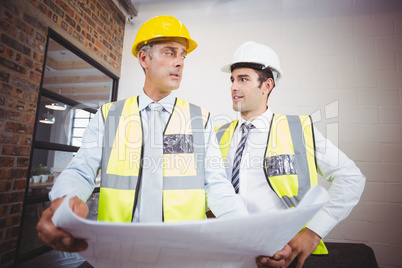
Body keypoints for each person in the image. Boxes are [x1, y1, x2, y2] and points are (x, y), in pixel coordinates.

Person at [36, 15, 248, 253]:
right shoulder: (109, 116)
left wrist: (248, 233)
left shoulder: (200, 119)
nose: (179, 62)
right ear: (144, 58)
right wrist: (65, 201)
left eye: (183, 55)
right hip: (117, 251)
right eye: (170, 52)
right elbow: (81, 169)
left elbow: (216, 184)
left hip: (183, 252)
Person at [215, 41, 366, 268]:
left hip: (281, 252)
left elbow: (351, 177)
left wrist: (313, 232)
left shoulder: (299, 129)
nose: (233, 87)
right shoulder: (218, 135)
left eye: (243, 79)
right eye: (232, 80)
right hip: (227, 250)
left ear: (267, 85)